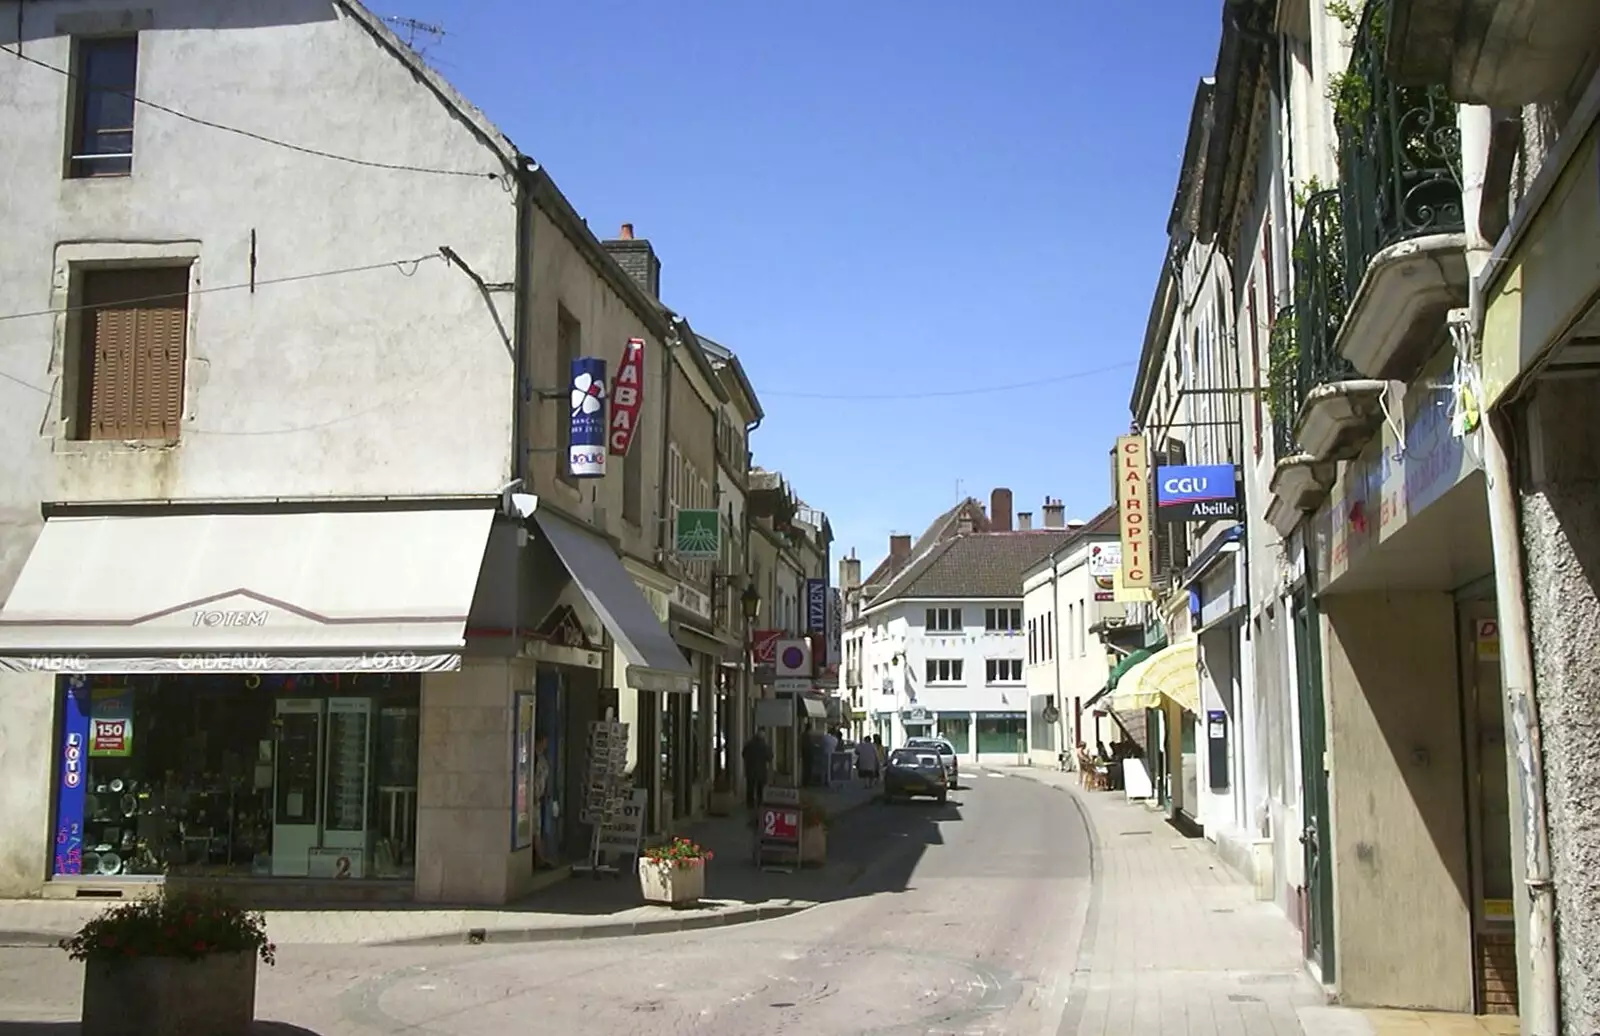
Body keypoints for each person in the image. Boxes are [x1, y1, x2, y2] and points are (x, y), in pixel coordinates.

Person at [532, 733, 554, 870]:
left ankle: (540, 857)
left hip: (539, 797)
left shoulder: (542, 758)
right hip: (531, 799)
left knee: (537, 829)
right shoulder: (532, 758)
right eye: (544, 742)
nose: (545, 745)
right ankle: (540, 858)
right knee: (535, 829)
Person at [742, 730, 771, 810]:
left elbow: (744, 754)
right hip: (761, 771)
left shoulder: (749, 744)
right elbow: (769, 757)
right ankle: (759, 804)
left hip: (750, 770)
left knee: (750, 788)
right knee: (760, 789)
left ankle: (750, 804)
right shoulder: (764, 745)